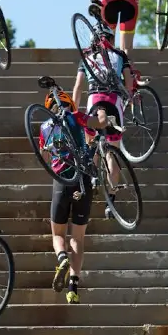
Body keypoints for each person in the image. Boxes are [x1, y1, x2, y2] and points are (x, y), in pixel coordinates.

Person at [39, 87, 112, 304]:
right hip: (83, 181)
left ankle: (61, 258)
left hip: (61, 181)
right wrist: (100, 111)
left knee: (57, 235)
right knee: (78, 237)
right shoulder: (76, 117)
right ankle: (73, 286)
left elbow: (43, 156)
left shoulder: (44, 128)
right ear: (68, 103)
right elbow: (100, 123)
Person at [72, 23, 133, 217]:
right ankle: (111, 199)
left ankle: (91, 179)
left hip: (94, 100)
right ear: (110, 39)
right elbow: (129, 81)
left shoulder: (87, 57)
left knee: (91, 143)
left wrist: (73, 112)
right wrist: (128, 100)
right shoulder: (120, 55)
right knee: (112, 152)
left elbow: (78, 87)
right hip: (114, 101)